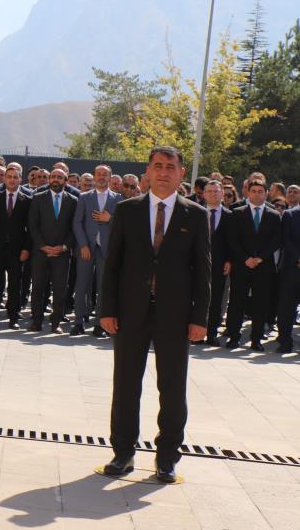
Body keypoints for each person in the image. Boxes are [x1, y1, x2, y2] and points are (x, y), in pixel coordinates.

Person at [100, 146, 210, 484]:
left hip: (175, 316)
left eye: (171, 167)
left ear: (181, 173)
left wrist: (200, 318)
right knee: (126, 384)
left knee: (173, 387)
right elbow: (113, 265)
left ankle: (167, 458)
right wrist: (107, 310)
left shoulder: (195, 215)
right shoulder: (127, 210)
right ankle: (123, 452)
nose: (163, 172)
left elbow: (202, 271)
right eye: (157, 166)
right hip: (131, 312)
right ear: (147, 172)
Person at [223, 178, 282, 351]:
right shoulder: (238, 213)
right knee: (236, 301)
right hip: (242, 265)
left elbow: (276, 240)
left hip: (264, 266)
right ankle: (234, 337)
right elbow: (232, 240)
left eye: (260, 191)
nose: (257, 194)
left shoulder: (273, 215)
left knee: (261, 302)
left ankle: (256, 339)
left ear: (266, 194)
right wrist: (245, 258)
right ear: (248, 193)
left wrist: (260, 258)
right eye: (253, 191)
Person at [72, 165, 122, 336]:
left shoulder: (118, 199)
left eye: (105, 174)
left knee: (103, 287)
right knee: (81, 286)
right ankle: (78, 322)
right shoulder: (84, 197)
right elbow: (77, 223)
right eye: (99, 174)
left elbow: (123, 227)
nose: (101, 177)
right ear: (94, 176)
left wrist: (111, 219)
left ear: (110, 177)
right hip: (87, 248)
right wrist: (83, 245)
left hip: (106, 250)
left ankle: (100, 324)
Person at [27, 168, 78, 332]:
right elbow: (32, 225)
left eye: (60, 177)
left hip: (61, 254)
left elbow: (74, 228)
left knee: (59, 289)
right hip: (40, 252)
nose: (56, 179)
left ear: (65, 181)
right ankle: (36, 321)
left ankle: (56, 323)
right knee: (38, 288)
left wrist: (63, 247)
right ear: (49, 179)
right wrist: (43, 246)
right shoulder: (38, 198)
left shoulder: (73, 201)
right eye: (53, 177)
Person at [0, 165, 31, 328]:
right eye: (9, 176)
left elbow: (30, 228)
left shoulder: (27, 200)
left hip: (17, 250)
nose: (11, 180)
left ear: (20, 180)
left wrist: (26, 249)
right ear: (4, 179)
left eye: (15, 177)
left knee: (15, 284)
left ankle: (13, 318)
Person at [200, 180, 232, 345]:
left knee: (216, 300)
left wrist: (229, 260)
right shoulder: (196, 213)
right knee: (198, 299)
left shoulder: (230, 216)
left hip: (220, 266)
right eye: (210, 191)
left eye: (216, 191)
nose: (213, 194)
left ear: (222, 194)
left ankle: (212, 334)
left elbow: (232, 241)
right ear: (204, 194)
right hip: (197, 265)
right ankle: (197, 334)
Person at [277, 204, 300, 353]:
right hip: (292, 269)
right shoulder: (290, 215)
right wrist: (298, 258)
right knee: (287, 308)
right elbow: (285, 239)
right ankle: (285, 342)